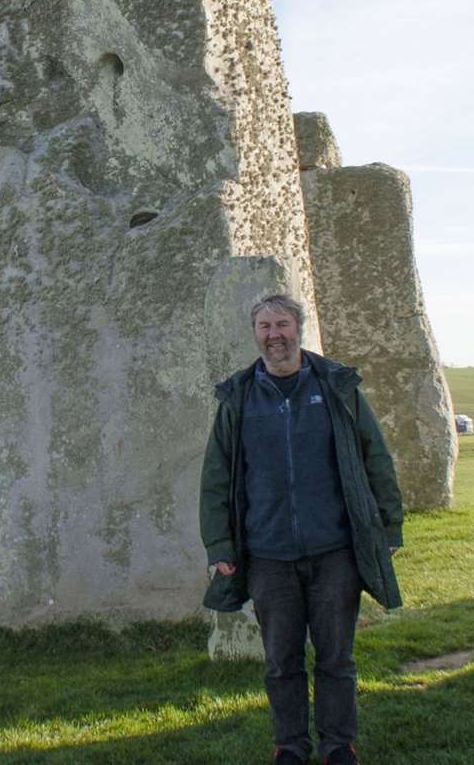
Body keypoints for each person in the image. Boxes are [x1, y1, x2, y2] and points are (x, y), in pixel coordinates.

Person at [200, 293, 405, 765]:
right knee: (281, 662)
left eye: (283, 324)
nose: (275, 335)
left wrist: (387, 528)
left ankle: (339, 745)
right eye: (265, 326)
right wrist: (219, 544)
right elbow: (216, 476)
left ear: (299, 328)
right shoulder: (239, 397)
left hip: (334, 549)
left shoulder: (336, 386)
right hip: (268, 554)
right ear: (256, 334)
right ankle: (290, 745)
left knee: (336, 658)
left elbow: (375, 456)